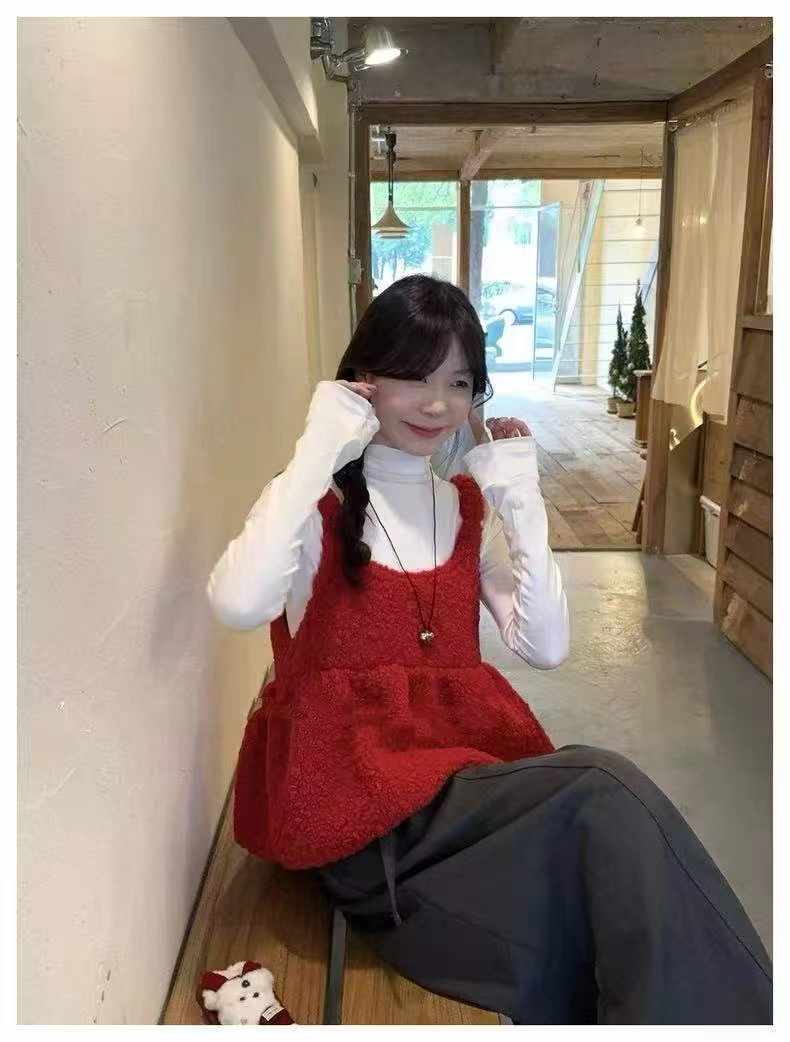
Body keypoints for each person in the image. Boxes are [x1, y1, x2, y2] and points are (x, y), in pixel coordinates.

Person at [206, 274, 771, 1025]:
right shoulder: (316, 507)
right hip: (359, 820)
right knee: (604, 794)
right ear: (362, 379)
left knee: (609, 895)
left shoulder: (462, 508)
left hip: (454, 801)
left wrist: (519, 496)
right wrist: (317, 448)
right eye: (414, 375)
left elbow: (546, 644)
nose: (438, 404)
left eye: (459, 382)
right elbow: (238, 601)